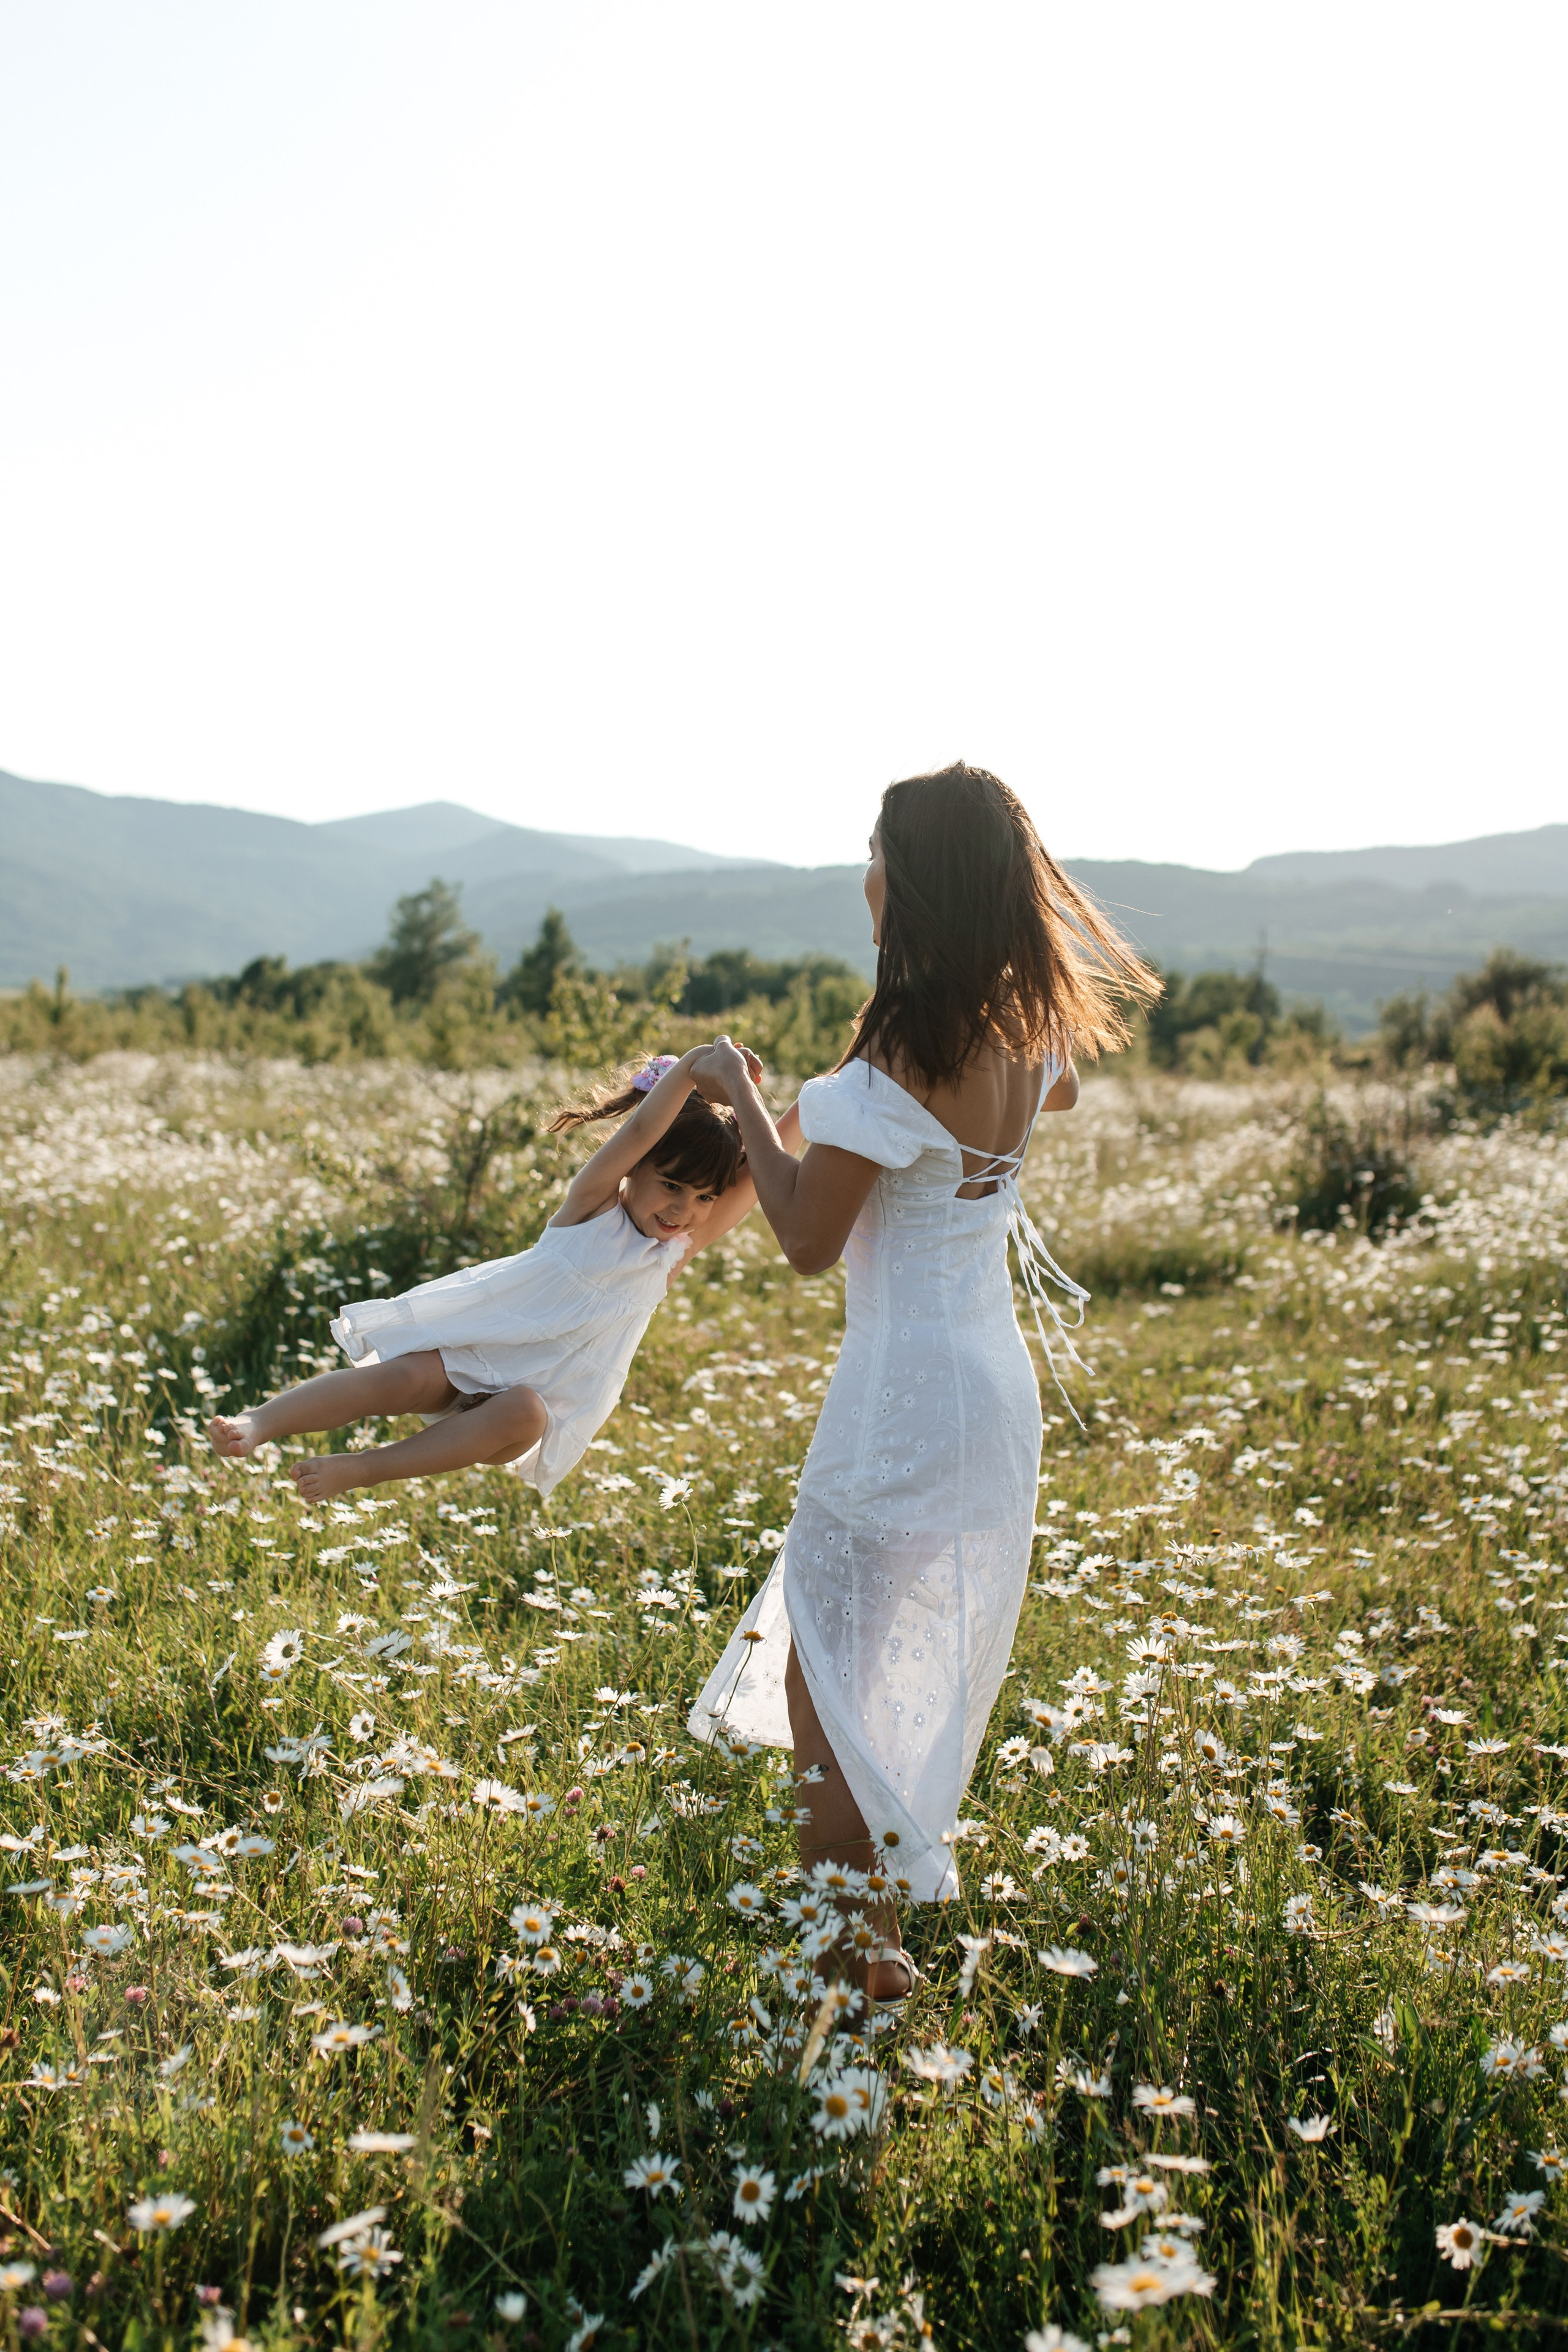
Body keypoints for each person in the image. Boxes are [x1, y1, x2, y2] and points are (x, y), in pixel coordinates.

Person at [688, 763, 1159, 2000]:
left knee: (824, 1677)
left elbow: (802, 1241)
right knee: (870, 1651)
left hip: (900, 1394)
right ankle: (871, 1932)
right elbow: (1035, 1096)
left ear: (912, 882)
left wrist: (737, 1091)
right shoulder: (1024, 1031)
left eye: (873, 850)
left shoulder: (898, 1049)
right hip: (988, 1392)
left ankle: (856, 1958)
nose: (863, 872)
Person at [208, 1044, 783, 1503]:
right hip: (482, 1350)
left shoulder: (669, 1257)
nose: (684, 1209)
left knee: (526, 1409)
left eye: (704, 1196)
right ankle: (258, 1423)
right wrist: (696, 1067)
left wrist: (823, 1087)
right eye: (672, 1185)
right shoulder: (592, 1208)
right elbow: (636, 1134)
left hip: (522, 1411)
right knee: (397, 1381)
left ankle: (364, 1469)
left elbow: (767, 1163)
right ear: (637, 1170)